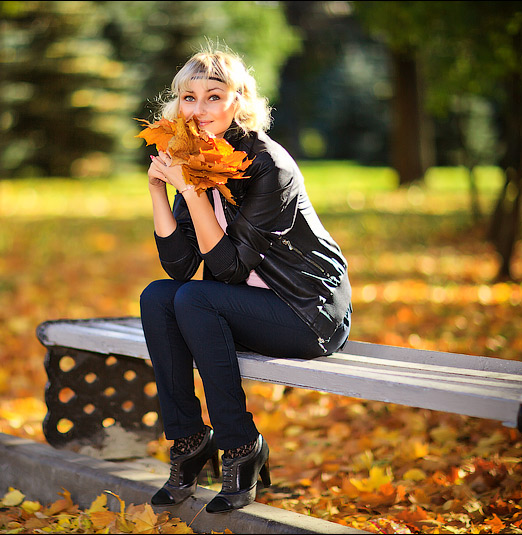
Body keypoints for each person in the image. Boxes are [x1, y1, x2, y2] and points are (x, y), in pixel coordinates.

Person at [140, 46, 352, 514]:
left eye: (214, 96)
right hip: (246, 304)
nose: (199, 110)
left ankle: (240, 447)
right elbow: (178, 266)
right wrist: (160, 189)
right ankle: (190, 441)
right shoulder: (193, 157)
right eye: (189, 98)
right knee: (158, 297)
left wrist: (192, 191)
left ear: (239, 102)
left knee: (195, 298)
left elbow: (232, 267)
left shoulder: (266, 165)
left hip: (306, 310)